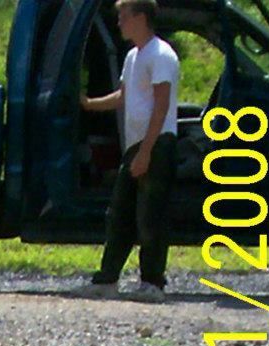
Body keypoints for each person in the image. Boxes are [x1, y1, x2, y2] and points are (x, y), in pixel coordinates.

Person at [79, 0, 181, 298]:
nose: (119, 22)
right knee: (120, 213)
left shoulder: (161, 55)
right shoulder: (133, 57)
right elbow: (123, 96)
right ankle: (107, 279)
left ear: (140, 17)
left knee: (150, 215)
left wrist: (147, 152)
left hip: (157, 144)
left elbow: (161, 107)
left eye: (123, 17)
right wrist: (88, 104)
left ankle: (153, 283)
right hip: (137, 145)